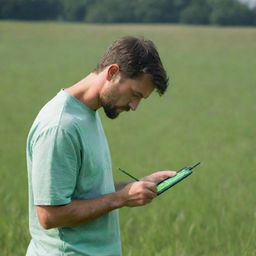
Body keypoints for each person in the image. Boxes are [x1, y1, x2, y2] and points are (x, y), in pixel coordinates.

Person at [26, 36, 176, 256]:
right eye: (135, 94)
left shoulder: (87, 115)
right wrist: (122, 198)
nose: (135, 106)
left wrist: (133, 186)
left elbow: (86, 190)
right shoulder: (60, 126)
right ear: (112, 72)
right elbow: (50, 216)